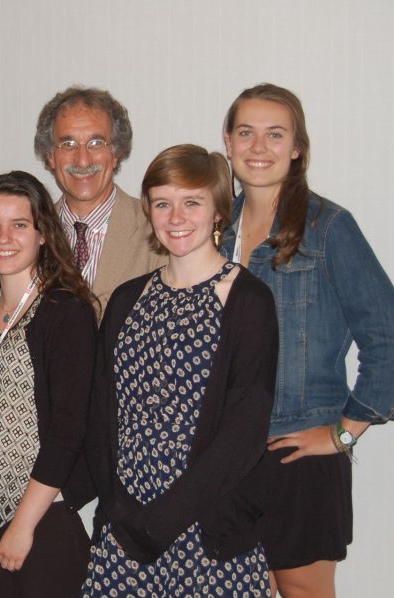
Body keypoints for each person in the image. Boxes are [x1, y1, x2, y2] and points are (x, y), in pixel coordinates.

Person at [82, 144, 279, 597]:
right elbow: (101, 415)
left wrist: (162, 521)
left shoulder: (248, 301)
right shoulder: (127, 299)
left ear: (217, 210)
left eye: (191, 202)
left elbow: (244, 433)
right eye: (162, 203)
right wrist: (119, 509)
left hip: (208, 530)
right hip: (123, 529)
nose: (175, 217)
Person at [221, 84, 394, 598]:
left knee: (300, 590)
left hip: (299, 453)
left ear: (297, 147)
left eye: (275, 135)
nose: (258, 147)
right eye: (246, 132)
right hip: (226, 452)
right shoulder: (211, 227)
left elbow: (386, 337)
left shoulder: (327, 228)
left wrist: (342, 434)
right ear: (227, 142)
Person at [0, 171, 98, 597]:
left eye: (19, 224)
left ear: (42, 233)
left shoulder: (65, 311)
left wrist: (23, 526)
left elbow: (67, 431)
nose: (4, 237)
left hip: (43, 519)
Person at [34, 86, 165, 310]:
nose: (83, 160)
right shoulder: (32, 233)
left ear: (116, 154)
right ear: (50, 157)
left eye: (96, 143)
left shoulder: (157, 230)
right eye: (68, 144)